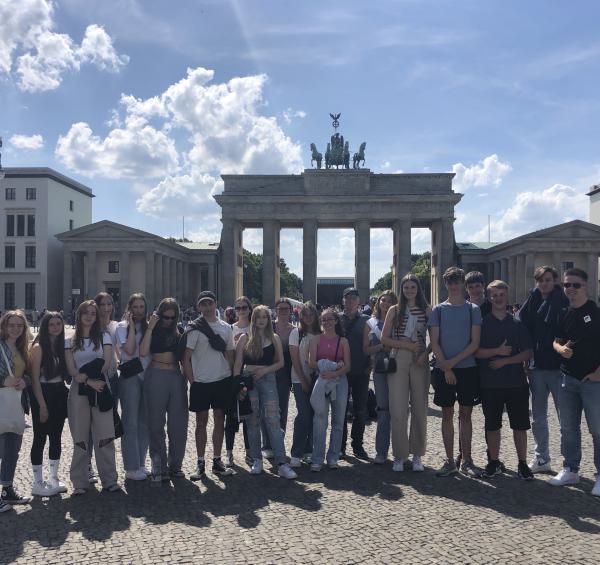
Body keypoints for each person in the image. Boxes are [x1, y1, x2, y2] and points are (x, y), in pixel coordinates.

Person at [475, 281, 534, 480]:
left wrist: (505, 360)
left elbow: (527, 352)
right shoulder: (482, 323)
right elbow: (476, 351)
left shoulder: (517, 323)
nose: (498, 298)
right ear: (489, 297)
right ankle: (494, 461)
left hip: (516, 383)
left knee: (520, 426)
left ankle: (522, 463)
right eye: (494, 295)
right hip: (490, 384)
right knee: (492, 425)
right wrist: (497, 352)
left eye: (501, 294)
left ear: (506, 296)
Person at [549, 268, 600, 496]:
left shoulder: (596, 313)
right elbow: (556, 340)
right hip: (567, 378)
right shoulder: (564, 312)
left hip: (593, 380)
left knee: (598, 430)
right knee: (568, 428)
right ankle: (570, 469)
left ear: (586, 287)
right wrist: (561, 349)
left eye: (575, 285)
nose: (570, 289)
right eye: (567, 285)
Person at [428, 267, 482, 477]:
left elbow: (474, 343)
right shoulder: (438, 310)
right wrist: (446, 366)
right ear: (446, 284)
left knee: (466, 415)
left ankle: (466, 459)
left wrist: (451, 364)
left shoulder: (473, 309)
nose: (454, 285)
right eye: (450, 282)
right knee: (447, 415)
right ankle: (450, 459)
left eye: (457, 281)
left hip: (467, 368)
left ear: (462, 283)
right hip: (444, 369)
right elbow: (434, 342)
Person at [233, 305, 297, 479]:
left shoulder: (274, 337)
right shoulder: (244, 338)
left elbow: (281, 362)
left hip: (268, 379)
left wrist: (264, 371)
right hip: (249, 380)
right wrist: (238, 386)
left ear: (269, 319)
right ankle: (257, 460)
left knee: (273, 420)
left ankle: (282, 463)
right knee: (252, 421)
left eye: (265, 317)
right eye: (258, 316)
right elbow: (238, 365)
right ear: (253, 318)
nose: (261, 320)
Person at [65, 300, 120, 494]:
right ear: (79, 315)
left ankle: (109, 479)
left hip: (101, 389)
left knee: (105, 436)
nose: (89, 316)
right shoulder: (69, 341)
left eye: (93, 313)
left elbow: (105, 363)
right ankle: (79, 482)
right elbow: (72, 370)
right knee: (80, 438)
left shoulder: (104, 336)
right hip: (81, 391)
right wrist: (89, 381)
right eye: (85, 313)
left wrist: (85, 377)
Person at [517, 266, 569, 474]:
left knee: (565, 418)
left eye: (548, 280)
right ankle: (541, 458)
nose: (544, 283)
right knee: (538, 417)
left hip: (558, 366)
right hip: (537, 365)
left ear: (555, 280)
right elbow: (521, 321)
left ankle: (569, 463)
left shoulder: (563, 300)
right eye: (540, 280)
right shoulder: (534, 298)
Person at [183, 291, 235, 479]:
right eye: (203, 304)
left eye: (209, 303)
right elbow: (186, 358)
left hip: (222, 379)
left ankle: (216, 460)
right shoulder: (194, 328)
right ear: (198, 307)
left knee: (220, 419)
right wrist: (192, 381)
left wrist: (232, 379)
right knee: (200, 423)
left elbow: (230, 355)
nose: (206, 307)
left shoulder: (226, 328)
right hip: (201, 382)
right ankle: (200, 462)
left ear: (215, 304)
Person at [382, 276, 431, 472]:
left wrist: (425, 354)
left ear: (419, 289)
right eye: (406, 287)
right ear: (401, 289)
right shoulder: (395, 310)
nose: (410, 290)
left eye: (413, 287)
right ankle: (399, 455)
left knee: (420, 406)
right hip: (400, 356)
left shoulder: (428, 310)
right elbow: (384, 338)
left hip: (420, 357)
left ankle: (417, 453)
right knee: (398, 408)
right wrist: (406, 345)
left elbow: (435, 337)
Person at [140, 298, 188, 484]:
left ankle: (176, 465)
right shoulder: (151, 329)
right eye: (165, 317)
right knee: (155, 422)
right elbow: (143, 352)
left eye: (172, 317)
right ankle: (159, 464)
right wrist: (151, 327)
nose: (168, 320)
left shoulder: (180, 331)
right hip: (156, 373)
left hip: (176, 375)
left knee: (179, 425)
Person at [29, 312, 70, 496]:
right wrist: (42, 405)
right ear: (45, 326)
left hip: (59, 392)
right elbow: (35, 380)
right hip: (42, 393)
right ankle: (37, 482)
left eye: (58, 324)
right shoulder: (38, 348)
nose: (55, 327)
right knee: (40, 437)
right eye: (51, 324)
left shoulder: (62, 346)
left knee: (56, 436)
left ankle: (54, 478)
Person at [308, 308, 351, 471]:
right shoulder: (315, 339)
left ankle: (333, 456)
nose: (326, 322)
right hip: (322, 381)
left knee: (339, 421)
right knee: (320, 420)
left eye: (330, 319)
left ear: (336, 321)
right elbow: (312, 363)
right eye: (324, 320)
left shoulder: (344, 341)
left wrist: (335, 373)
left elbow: (348, 365)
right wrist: (326, 366)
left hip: (339, 381)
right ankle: (317, 458)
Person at [0, 310, 33, 510]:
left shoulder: (23, 348)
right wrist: (4, 381)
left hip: (17, 404)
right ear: (4, 326)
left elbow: (30, 374)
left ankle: (7, 489)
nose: (16, 329)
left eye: (19, 326)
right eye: (11, 325)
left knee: (12, 451)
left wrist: (25, 381)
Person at [116, 293, 151, 481]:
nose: (138, 311)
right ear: (129, 308)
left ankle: (141, 462)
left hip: (148, 376)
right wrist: (130, 328)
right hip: (130, 377)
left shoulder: (149, 327)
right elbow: (129, 350)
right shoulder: (121, 327)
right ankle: (130, 467)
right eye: (135, 307)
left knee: (144, 422)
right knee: (130, 422)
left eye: (141, 307)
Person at [364, 290, 398, 464]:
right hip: (379, 367)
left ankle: (400, 452)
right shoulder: (371, 323)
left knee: (399, 410)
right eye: (383, 300)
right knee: (383, 409)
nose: (385, 303)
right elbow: (366, 349)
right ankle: (381, 451)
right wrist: (382, 346)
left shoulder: (400, 321)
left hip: (399, 366)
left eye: (389, 300)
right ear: (378, 303)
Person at [288, 301, 321, 467]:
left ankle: (309, 450)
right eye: (305, 314)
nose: (308, 317)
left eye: (311, 314)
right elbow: (295, 360)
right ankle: (296, 452)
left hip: (318, 380)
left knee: (315, 416)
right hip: (299, 379)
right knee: (303, 415)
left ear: (316, 316)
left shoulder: (321, 334)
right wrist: (303, 380)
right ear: (300, 316)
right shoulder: (296, 333)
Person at [339, 288, 370, 460]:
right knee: (340, 409)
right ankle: (340, 446)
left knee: (360, 410)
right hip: (342, 371)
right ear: (343, 300)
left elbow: (372, 342)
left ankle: (357, 445)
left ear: (359, 301)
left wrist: (370, 365)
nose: (350, 301)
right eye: (348, 298)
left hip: (361, 370)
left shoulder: (367, 320)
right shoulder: (337, 319)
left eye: (353, 298)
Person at [261, 298, 294, 458]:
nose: (283, 311)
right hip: (266, 371)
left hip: (284, 374)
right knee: (266, 409)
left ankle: (278, 442)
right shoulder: (268, 326)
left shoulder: (294, 330)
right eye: (280, 309)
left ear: (291, 310)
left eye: (286, 309)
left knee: (282, 408)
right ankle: (266, 443)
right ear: (275, 310)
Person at [224, 296, 253, 467]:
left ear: (250, 309)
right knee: (231, 416)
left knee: (249, 416)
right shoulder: (229, 329)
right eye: (238, 308)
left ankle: (250, 452)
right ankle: (228, 453)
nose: (241, 310)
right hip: (232, 376)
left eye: (244, 307)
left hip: (249, 375)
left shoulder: (255, 328)